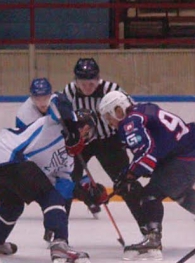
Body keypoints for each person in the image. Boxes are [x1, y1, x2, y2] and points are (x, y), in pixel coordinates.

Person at [0, 94, 98, 263]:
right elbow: (57, 99)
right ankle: (60, 247)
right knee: (49, 195)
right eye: (87, 132)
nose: (87, 137)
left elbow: (63, 191)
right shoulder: (56, 123)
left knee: (12, 205)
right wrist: (72, 128)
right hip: (10, 155)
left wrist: (84, 197)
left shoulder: (68, 158)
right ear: (83, 126)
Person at [98, 90, 195, 260]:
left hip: (186, 159)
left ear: (118, 109)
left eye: (109, 117)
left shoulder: (130, 122)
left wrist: (129, 175)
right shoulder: (144, 109)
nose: (109, 123)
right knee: (177, 190)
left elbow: (147, 152)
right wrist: (132, 173)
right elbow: (159, 144)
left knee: (150, 195)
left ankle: (153, 241)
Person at [60, 57, 146, 226]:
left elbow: (132, 113)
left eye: (91, 83)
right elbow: (62, 119)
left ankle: (147, 225)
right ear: (76, 81)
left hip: (109, 141)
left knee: (125, 182)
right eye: (82, 84)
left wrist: (125, 138)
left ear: (98, 79)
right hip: (81, 143)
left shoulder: (112, 90)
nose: (87, 88)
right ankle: (58, 228)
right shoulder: (69, 92)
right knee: (67, 181)